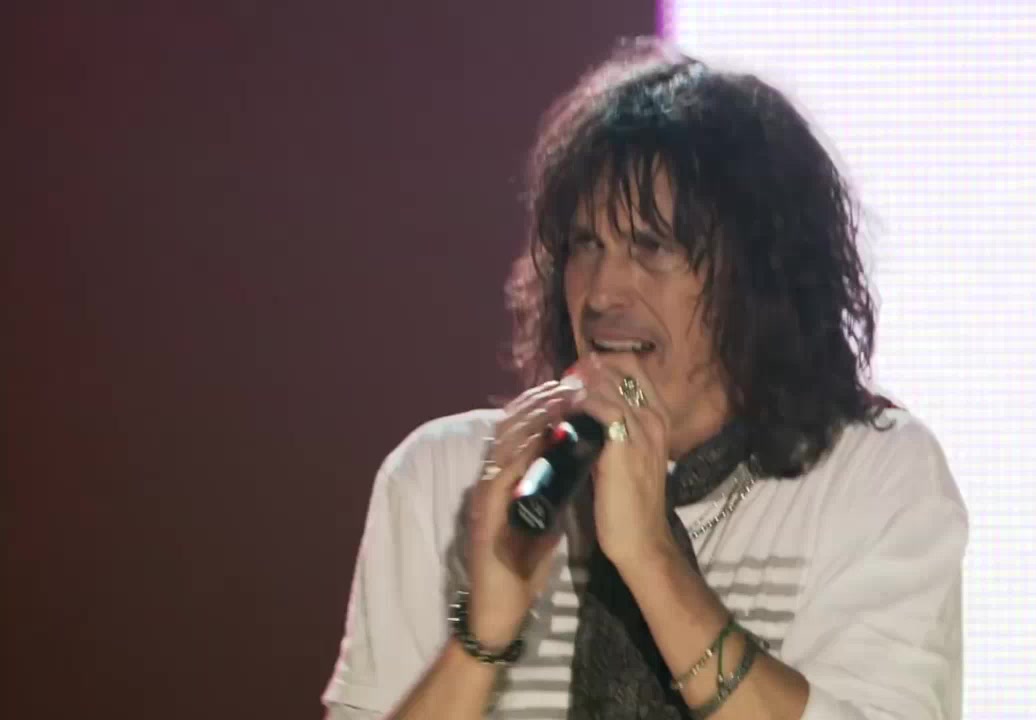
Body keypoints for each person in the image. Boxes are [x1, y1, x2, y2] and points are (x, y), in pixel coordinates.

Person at [322, 38, 968, 720]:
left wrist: (652, 560)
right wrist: (483, 637)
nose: (601, 293)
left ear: (758, 277)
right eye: (586, 246)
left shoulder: (872, 477)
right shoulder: (449, 478)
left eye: (651, 248)